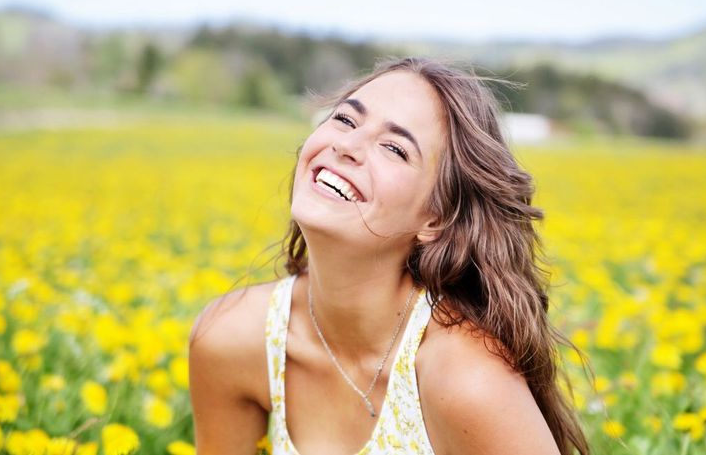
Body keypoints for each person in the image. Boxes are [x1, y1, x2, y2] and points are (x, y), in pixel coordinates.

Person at [188, 56, 590, 455]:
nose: (347, 146)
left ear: (436, 217)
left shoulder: (467, 381)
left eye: (394, 148)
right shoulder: (231, 338)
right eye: (344, 120)